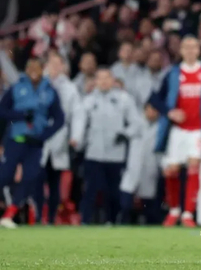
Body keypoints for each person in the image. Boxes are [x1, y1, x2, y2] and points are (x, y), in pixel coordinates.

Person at [149, 36, 201, 227]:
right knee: (172, 170)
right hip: (177, 130)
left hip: (198, 130)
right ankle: (174, 210)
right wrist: (170, 112)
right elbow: (155, 99)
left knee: (194, 167)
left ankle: (188, 214)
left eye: (194, 47)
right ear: (181, 50)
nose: (190, 50)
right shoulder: (173, 73)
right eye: (186, 47)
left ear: (199, 50)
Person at [0, 58, 65, 228]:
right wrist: (20, 115)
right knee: (5, 175)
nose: (34, 71)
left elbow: (59, 119)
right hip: (15, 140)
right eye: (30, 67)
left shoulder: (49, 90)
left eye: (37, 67)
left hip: (35, 143)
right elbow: (2, 110)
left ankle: (9, 214)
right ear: (26, 69)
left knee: (30, 178)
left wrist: (44, 135)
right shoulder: (17, 87)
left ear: (42, 69)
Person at [71, 68, 140, 224]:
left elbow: (136, 123)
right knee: (90, 189)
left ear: (112, 80)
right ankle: (85, 221)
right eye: (100, 78)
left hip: (116, 154)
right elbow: (80, 122)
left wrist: (126, 133)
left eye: (106, 78)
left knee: (113, 192)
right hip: (93, 153)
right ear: (95, 81)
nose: (103, 81)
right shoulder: (88, 100)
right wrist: (77, 139)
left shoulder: (124, 99)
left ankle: (112, 221)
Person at [35, 53, 80, 225]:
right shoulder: (38, 84)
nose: (54, 67)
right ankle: (38, 216)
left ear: (63, 66)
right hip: (38, 137)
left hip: (60, 138)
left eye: (58, 64)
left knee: (55, 182)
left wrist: (76, 136)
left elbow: (78, 114)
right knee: (37, 179)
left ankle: (52, 217)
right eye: (51, 63)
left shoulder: (70, 87)